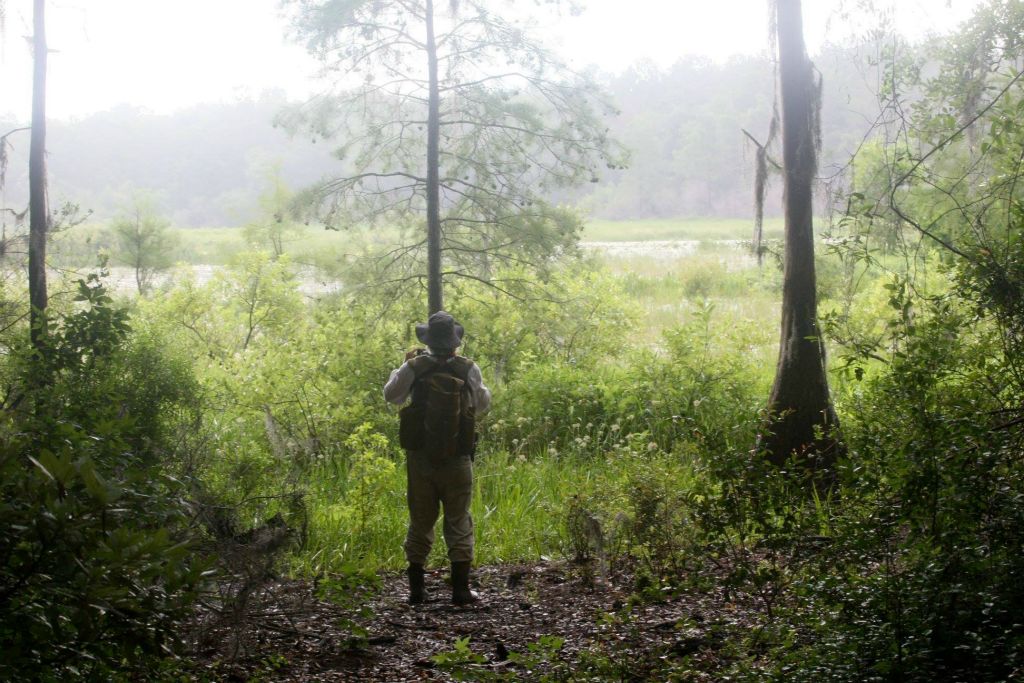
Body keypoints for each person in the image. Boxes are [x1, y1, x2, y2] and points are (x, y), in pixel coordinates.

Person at [383, 311, 491, 605]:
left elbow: (391, 396)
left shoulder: (414, 367)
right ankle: (460, 590)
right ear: (455, 341)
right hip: (458, 456)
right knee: (458, 519)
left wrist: (404, 367)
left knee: (420, 519)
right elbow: (483, 404)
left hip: (420, 457)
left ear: (427, 340)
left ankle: (417, 590)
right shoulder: (468, 368)